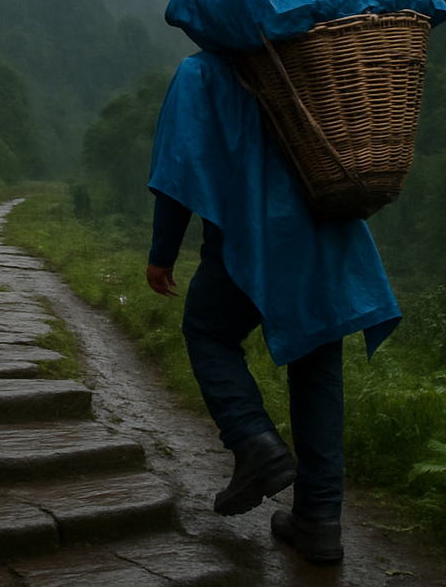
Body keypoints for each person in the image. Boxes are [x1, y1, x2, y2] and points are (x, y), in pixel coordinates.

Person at [145, 49, 402, 566]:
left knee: (208, 330)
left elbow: (179, 164)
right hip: (328, 236)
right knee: (318, 368)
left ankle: (254, 443)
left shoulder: (203, 71)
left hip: (246, 239)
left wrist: (162, 253)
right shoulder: (322, 63)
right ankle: (319, 523)